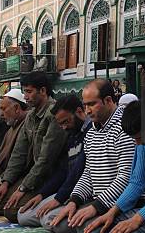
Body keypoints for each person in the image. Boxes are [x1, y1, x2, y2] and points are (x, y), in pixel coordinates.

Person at [84, 100, 145, 233]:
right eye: (134, 139)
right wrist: (112, 211)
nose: (138, 143)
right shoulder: (143, 143)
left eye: (140, 137)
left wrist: (137, 219)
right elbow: (137, 182)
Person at [49, 79, 135, 233]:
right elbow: (88, 172)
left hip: (118, 203)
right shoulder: (91, 132)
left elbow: (125, 176)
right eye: (85, 105)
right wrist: (74, 200)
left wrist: (96, 207)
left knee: (83, 227)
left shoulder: (124, 127)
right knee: (53, 221)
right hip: (95, 201)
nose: (87, 110)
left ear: (108, 100)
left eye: (92, 104)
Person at [0, 72, 68, 223]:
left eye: (29, 92)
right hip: (34, 175)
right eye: (24, 92)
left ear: (42, 91)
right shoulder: (30, 116)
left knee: (11, 211)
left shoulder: (53, 114)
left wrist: (23, 188)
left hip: (50, 177)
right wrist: (6, 182)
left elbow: (46, 159)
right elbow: (19, 153)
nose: (26, 97)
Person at [17, 94, 92, 228]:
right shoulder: (71, 135)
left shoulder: (90, 132)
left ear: (80, 112)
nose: (63, 127)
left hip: (81, 193)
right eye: (61, 123)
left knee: (49, 220)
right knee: (23, 215)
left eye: (66, 122)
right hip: (66, 191)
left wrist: (59, 198)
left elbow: (79, 173)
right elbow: (64, 170)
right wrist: (42, 194)